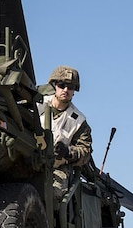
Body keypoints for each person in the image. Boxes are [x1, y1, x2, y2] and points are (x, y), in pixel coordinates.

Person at [37, 65, 94, 202]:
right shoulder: (36, 103)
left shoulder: (78, 121)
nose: (66, 90)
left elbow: (85, 150)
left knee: (52, 194)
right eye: (62, 85)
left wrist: (68, 152)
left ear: (75, 91)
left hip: (57, 167)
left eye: (70, 87)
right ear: (54, 86)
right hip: (28, 160)